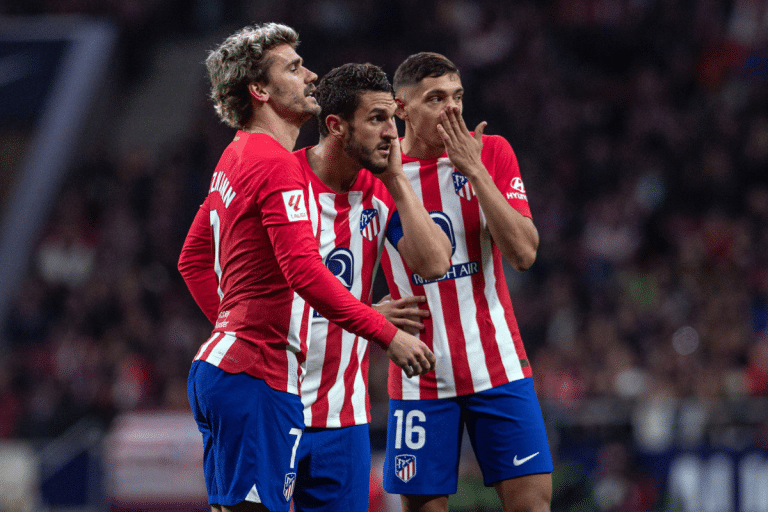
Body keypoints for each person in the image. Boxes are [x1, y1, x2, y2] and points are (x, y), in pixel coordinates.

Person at [177, 24, 435, 512]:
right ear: (259, 90)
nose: (310, 75)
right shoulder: (274, 163)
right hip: (254, 374)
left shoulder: (236, 154)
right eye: (293, 68)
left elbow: (192, 258)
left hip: (230, 368)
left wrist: (232, 328)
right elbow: (305, 273)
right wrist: (386, 332)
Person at [378, 52, 554, 512]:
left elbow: (524, 254)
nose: (452, 110)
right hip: (421, 379)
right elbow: (332, 266)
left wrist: (474, 171)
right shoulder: (377, 175)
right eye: (435, 99)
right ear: (401, 109)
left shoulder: (491, 151)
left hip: (497, 367)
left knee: (533, 507)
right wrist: (369, 312)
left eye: (457, 97)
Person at [291, 63, 452, 512]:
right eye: (377, 120)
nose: (391, 133)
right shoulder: (282, 181)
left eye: (393, 120)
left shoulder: (379, 190)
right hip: (273, 403)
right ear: (336, 126)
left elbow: (436, 262)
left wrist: (398, 180)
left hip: (343, 417)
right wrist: (371, 318)